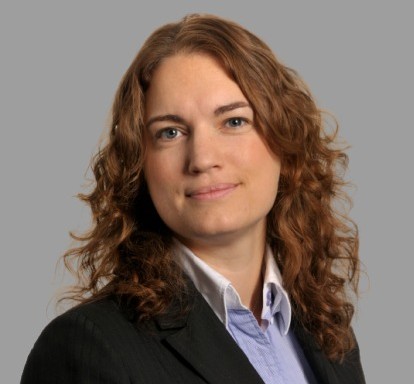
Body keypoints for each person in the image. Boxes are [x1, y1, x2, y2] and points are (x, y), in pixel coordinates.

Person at [21, 14, 365, 384]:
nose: (202, 158)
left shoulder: (327, 330)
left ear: (283, 138)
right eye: (170, 132)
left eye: (233, 122)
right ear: (140, 163)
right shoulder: (85, 348)